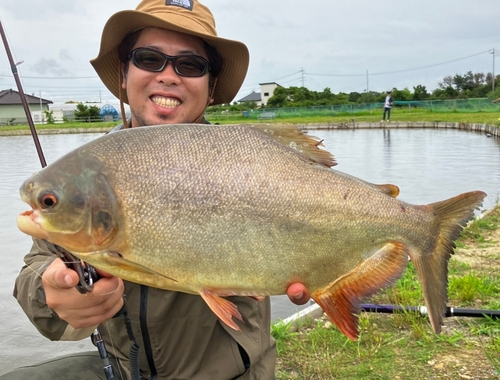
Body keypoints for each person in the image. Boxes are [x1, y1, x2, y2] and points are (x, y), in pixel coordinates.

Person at [1, 1, 310, 379]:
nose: (168, 76)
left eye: (190, 65)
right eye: (149, 59)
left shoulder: (249, 162)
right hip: (121, 368)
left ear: (211, 88)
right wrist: (53, 295)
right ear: (123, 74)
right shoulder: (86, 175)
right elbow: (37, 270)